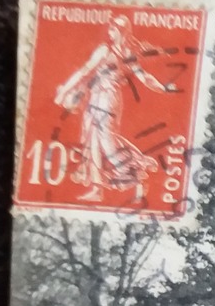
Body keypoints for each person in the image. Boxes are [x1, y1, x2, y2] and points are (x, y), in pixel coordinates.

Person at [53, 16, 177, 202]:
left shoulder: (120, 53)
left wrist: (163, 87)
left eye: (113, 29)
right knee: (93, 140)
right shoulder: (111, 50)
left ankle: (133, 173)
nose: (109, 32)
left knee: (106, 140)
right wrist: (65, 89)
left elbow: (143, 77)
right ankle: (98, 188)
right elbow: (85, 71)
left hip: (108, 99)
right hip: (98, 97)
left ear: (121, 31)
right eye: (110, 28)